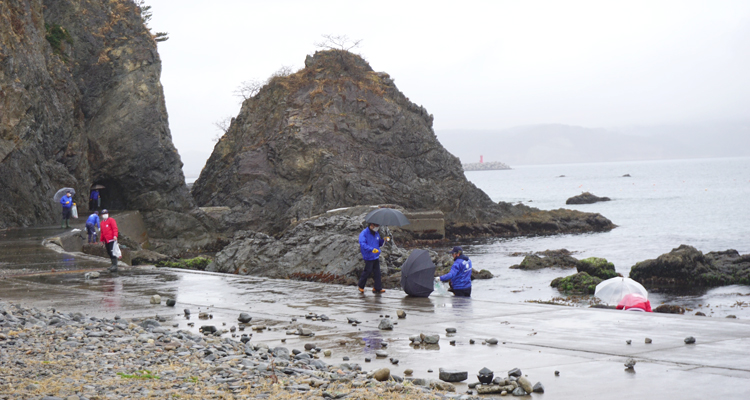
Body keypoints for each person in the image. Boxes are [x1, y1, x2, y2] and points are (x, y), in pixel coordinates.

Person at [358, 222, 388, 294]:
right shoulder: (364, 233)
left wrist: (384, 240)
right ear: (371, 225)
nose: (377, 227)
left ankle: (377, 288)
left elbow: (379, 243)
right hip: (368, 256)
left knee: (377, 272)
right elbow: (362, 244)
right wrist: (371, 249)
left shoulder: (376, 233)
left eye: (378, 226)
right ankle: (361, 286)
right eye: (376, 225)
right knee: (367, 271)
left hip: (375, 256)